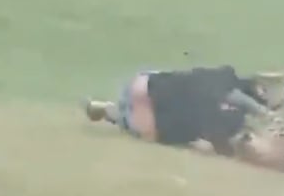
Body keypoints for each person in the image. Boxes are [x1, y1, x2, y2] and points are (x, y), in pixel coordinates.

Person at [84, 65, 269, 156]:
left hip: (141, 86)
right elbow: (220, 146)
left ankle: (111, 110)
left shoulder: (222, 75)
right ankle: (113, 114)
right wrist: (261, 113)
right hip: (147, 126)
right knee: (145, 123)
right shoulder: (231, 121)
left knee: (164, 83)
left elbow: (230, 95)